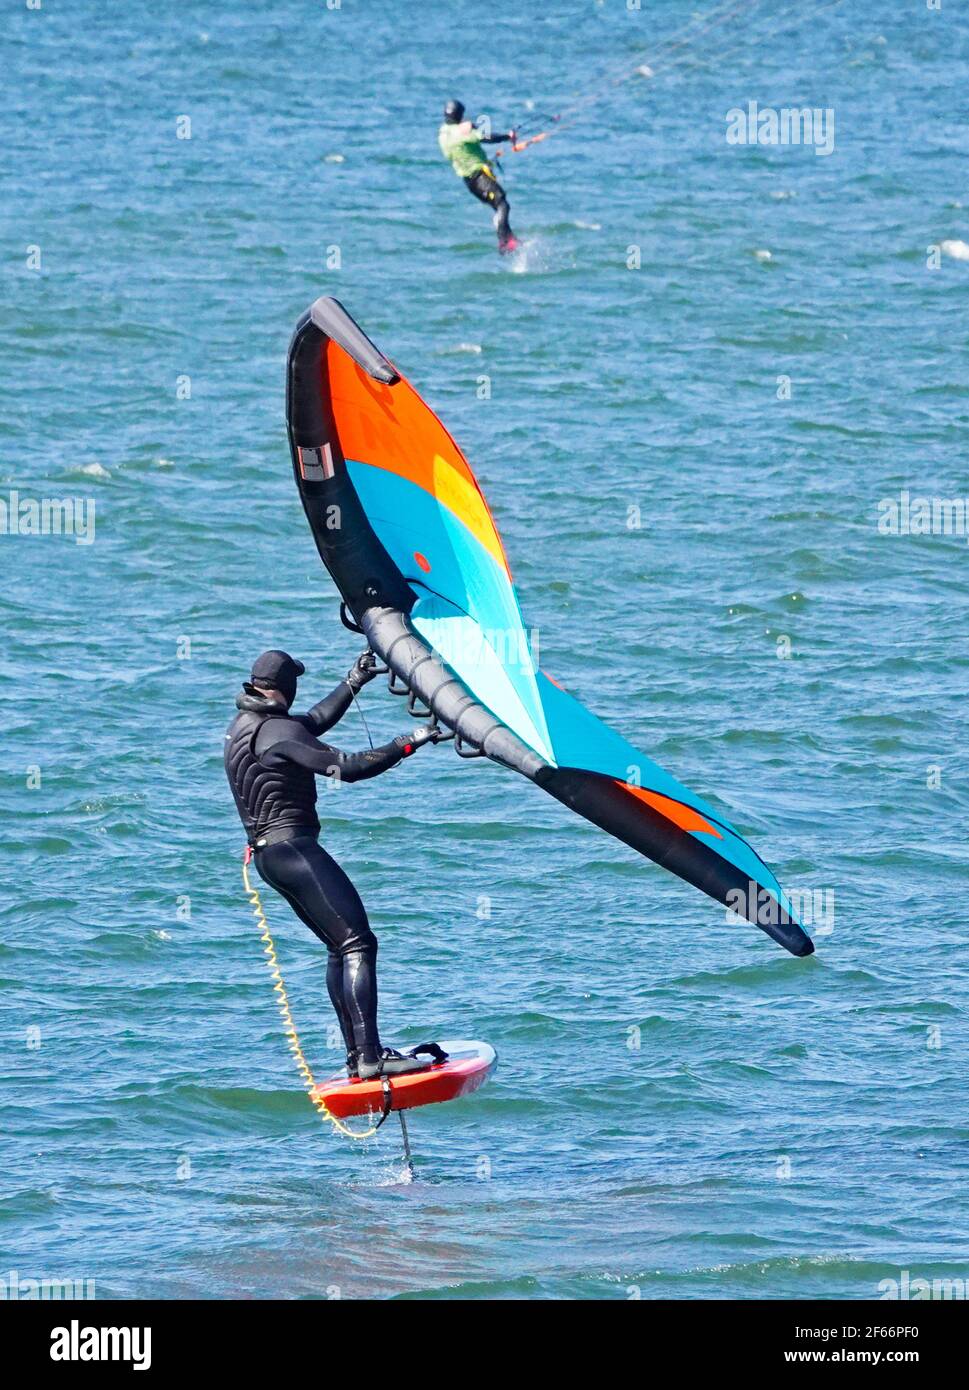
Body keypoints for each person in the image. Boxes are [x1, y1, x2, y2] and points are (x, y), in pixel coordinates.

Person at [224, 648, 441, 1080]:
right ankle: (369, 1055)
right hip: (295, 851)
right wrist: (408, 743)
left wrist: (353, 681)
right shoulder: (280, 732)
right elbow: (349, 767)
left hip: (271, 858)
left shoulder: (247, 726)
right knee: (359, 943)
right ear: (288, 688)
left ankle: (358, 1056)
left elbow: (314, 722)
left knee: (340, 946)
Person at [438, 98, 520, 254]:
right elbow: (486, 137)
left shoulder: (443, 133)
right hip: (480, 178)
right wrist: (508, 136)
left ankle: (509, 239)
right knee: (503, 205)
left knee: (499, 206)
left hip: (469, 182)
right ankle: (505, 242)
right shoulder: (462, 133)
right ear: (459, 115)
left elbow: (460, 135)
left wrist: (469, 127)